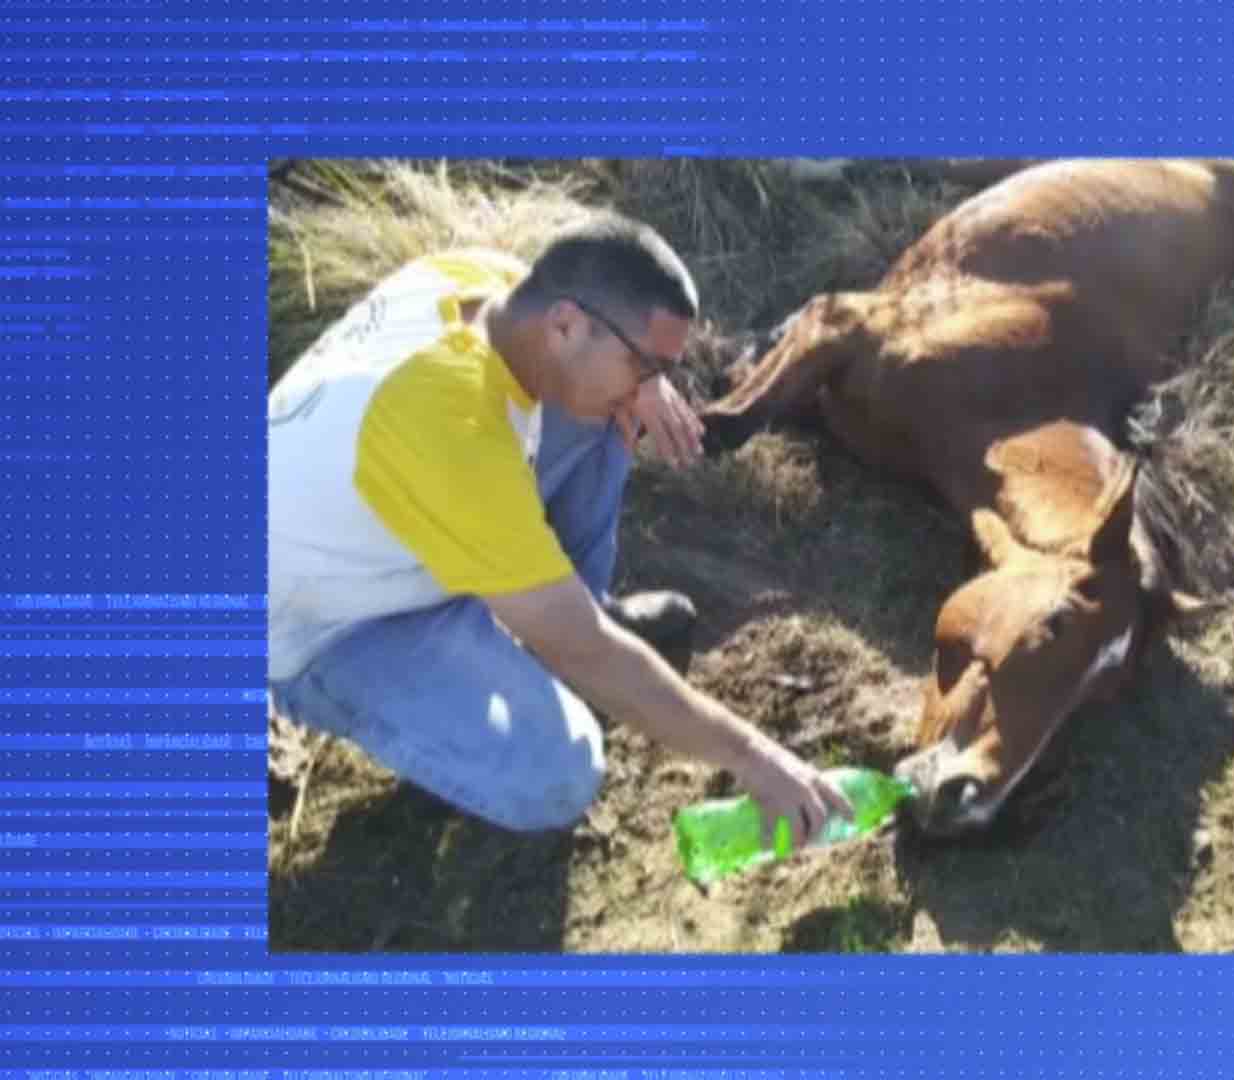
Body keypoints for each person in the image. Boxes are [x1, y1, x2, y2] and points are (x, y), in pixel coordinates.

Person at [266, 210, 853, 844]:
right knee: (560, 774)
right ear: (566, 325)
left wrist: (641, 385)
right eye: (649, 366)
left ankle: (555, 607)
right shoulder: (447, 430)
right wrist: (756, 759)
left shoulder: (490, 289)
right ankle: (460, 709)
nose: (660, 387)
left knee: (602, 409)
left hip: (402, 527)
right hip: (326, 628)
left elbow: (578, 362)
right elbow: (586, 645)